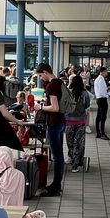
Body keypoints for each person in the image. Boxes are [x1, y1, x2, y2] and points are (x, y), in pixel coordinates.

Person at [36, 63, 67, 195]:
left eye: (40, 75)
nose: (40, 78)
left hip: (54, 123)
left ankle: (55, 185)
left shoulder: (52, 86)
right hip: (61, 122)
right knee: (59, 154)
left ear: (45, 72)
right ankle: (57, 184)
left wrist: (40, 108)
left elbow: (55, 107)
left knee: (57, 155)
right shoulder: (59, 82)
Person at [65, 74, 93, 173]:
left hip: (69, 121)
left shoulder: (68, 92)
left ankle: (72, 158)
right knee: (79, 142)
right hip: (81, 121)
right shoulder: (85, 93)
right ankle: (76, 164)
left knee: (70, 142)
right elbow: (87, 106)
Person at [93, 66, 110, 140]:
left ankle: (98, 133)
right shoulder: (101, 80)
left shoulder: (98, 79)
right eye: (106, 71)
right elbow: (102, 91)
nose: (107, 73)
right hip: (102, 99)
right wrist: (108, 94)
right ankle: (102, 133)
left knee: (99, 116)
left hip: (98, 98)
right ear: (103, 71)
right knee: (103, 116)